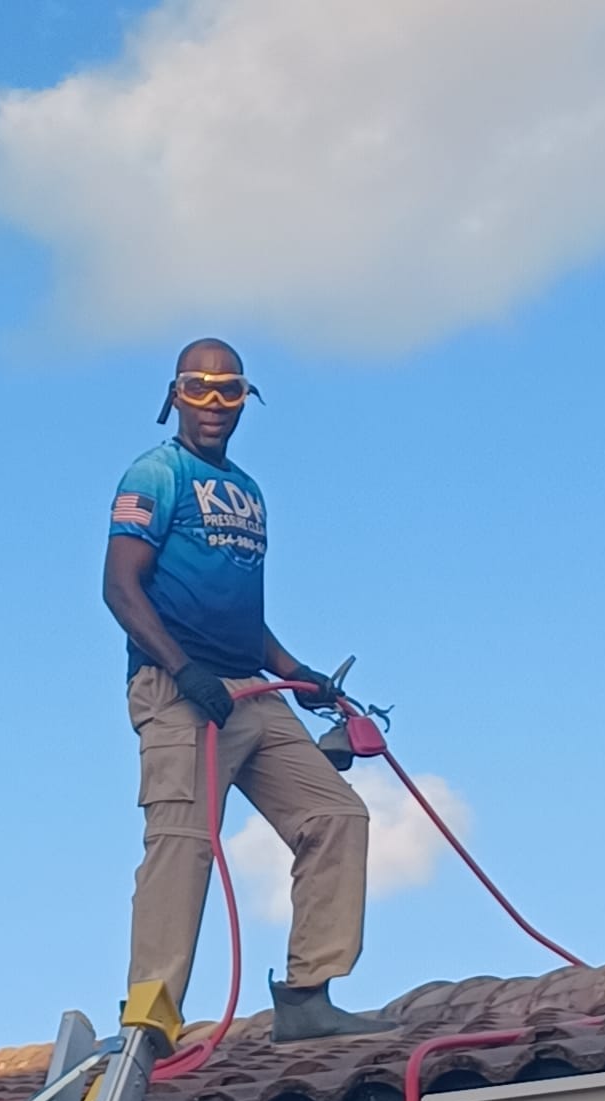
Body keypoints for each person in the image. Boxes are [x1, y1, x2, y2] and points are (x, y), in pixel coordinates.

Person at [102, 338, 395, 1043]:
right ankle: (150, 1021)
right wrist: (184, 670)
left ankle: (306, 997)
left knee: (336, 816)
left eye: (229, 392)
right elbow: (120, 585)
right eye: (199, 390)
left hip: (250, 689)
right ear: (173, 397)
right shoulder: (156, 472)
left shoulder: (249, 492)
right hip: (178, 690)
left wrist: (299, 676)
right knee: (183, 842)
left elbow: (238, 610)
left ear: (245, 401)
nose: (214, 405)